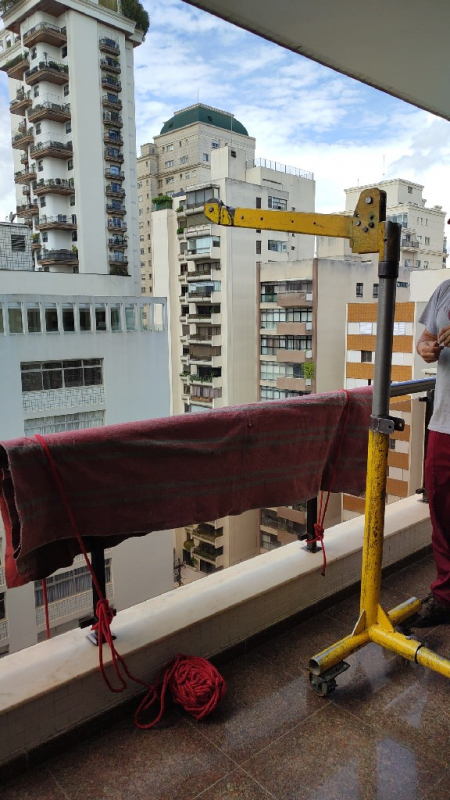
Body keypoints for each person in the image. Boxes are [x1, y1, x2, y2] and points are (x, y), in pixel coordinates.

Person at [415, 278, 450, 626]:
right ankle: (445, 596)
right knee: (440, 510)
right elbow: (425, 338)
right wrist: (424, 347)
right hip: (443, 422)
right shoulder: (444, 290)